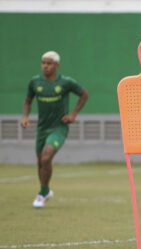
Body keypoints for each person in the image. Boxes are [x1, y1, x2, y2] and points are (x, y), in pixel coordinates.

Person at [20, 51, 89, 208]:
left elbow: (84, 94)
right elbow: (27, 100)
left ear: (56, 65)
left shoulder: (65, 82)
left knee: (46, 157)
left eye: (49, 63)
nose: (45, 66)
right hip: (41, 128)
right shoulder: (34, 83)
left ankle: (41, 195)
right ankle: (44, 191)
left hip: (59, 127)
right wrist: (25, 116)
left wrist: (73, 114)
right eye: (43, 62)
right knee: (41, 162)